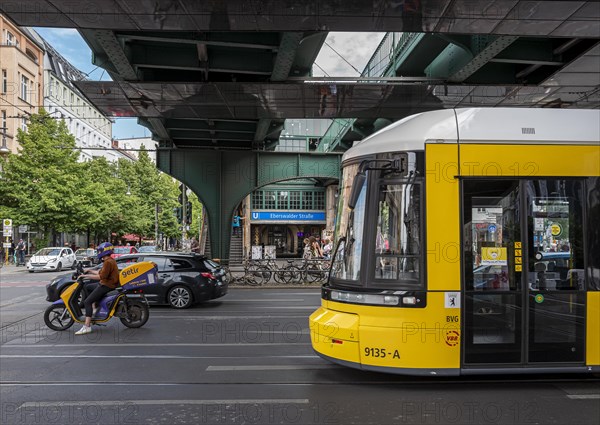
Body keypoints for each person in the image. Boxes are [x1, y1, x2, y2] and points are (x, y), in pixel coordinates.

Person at [75, 242, 120, 335]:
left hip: (107, 285)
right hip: (105, 283)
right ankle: (95, 308)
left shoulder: (108, 262)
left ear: (104, 251)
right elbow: (101, 272)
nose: (99, 252)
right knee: (88, 287)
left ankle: (87, 326)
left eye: (100, 251)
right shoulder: (109, 260)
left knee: (87, 302)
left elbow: (101, 277)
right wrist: (90, 270)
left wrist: (85, 276)